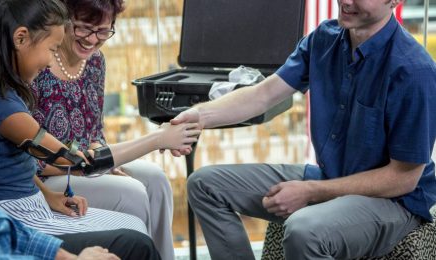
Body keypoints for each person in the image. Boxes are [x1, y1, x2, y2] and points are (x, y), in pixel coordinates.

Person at [171, 0, 436, 259]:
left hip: (393, 201)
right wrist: (199, 115)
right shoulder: (324, 38)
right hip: (331, 176)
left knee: (304, 230)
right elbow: (263, 94)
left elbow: (403, 178)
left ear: (395, 1)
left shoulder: (414, 71)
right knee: (204, 185)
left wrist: (310, 191)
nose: (345, 1)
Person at [0, 1, 198, 259]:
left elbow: (18, 163)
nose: (49, 61)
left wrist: (49, 195)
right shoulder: (2, 107)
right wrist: (159, 138)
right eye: (51, 49)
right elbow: (76, 161)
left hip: (29, 202)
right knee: (136, 239)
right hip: (16, 216)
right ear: (21, 38)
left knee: (136, 226)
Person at [31, 0, 176, 258]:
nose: (92, 39)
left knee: (156, 179)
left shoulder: (96, 62)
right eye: (84, 28)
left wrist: (103, 158)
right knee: (132, 193)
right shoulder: (39, 62)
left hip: (87, 163)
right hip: (51, 174)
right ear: (65, 19)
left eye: (102, 31)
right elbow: (30, 153)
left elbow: (94, 132)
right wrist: (93, 166)